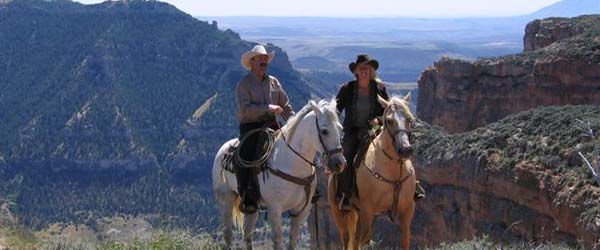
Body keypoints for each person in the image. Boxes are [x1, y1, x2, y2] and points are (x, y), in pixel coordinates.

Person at [235, 44, 294, 214]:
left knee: (296, 146)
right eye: (259, 59)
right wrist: (268, 107)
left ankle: (303, 187)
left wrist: (294, 121)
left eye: (265, 59)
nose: (263, 61)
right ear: (251, 62)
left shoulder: (274, 82)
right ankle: (248, 194)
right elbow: (245, 109)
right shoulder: (244, 84)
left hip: (272, 124)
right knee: (246, 155)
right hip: (251, 126)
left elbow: (286, 105)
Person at [335, 54, 389, 211]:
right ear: (356, 71)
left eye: (366, 68)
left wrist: (378, 120)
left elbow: (388, 110)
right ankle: (344, 194)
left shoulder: (379, 89)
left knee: (396, 147)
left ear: (371, 70)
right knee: (345, 156)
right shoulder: (347, 89)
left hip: (372, 130)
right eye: (361, 68)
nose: (364, 70)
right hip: (352, 130)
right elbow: (336, 110)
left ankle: (410, 187)